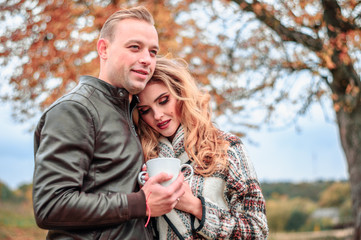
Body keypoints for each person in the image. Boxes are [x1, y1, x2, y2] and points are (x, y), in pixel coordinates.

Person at [32, 6, 185, 239]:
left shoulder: (135, 113)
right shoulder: (75, 110)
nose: (146, 59)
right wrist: (141, 203)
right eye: (135, 47)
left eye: (153, 52)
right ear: (103, 49)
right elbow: (51, 205)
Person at [134, 57, 269, 239]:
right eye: (145, 110)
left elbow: (257, 231)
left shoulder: (226, 147)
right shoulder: (141, 155)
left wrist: (196, 207)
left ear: (182, 94)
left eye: (164, 100)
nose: (157, 115)